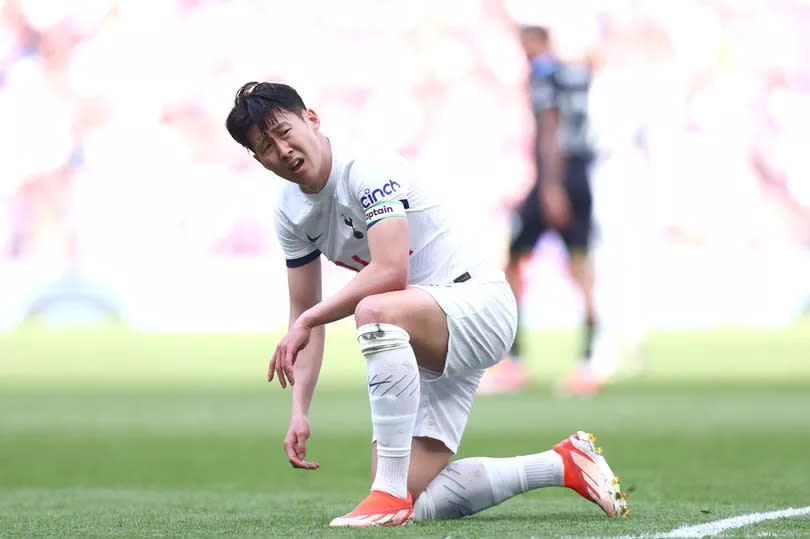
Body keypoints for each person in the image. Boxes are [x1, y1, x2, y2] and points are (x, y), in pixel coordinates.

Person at [225, 81, 629, 527]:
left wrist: (309, 319)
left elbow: (389, 271)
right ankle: (564, 464)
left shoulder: (365, 168)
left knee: (374, 310)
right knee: (417, 502)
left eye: (284, 131)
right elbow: (305, 317)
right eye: (265, 147)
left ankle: (386, 496)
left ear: (312, 118)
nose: (282, 150)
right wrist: (299, 411)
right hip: (419, 337)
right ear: (257, 159)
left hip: (477, 303)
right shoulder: (289, 211)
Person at [479, 26, 601, 395]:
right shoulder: (574, 72)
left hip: (557, 175)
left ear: (539, 43)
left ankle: (515, 362)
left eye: (527, 45)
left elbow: (549, 126)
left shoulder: (543, 74)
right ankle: (589, 361)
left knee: (515, 263)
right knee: (579, 265)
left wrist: (549, 186)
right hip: (580, 173)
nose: (525, 53)